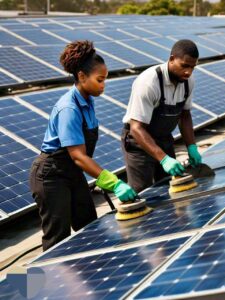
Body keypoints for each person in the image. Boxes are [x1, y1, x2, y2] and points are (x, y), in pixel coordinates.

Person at [30, 40, 137, 251]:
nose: (103, 85)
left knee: (89, 225)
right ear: (81, 76)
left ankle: (89, 277)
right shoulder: (69, 108)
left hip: (72, 173)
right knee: (57, 239)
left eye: (105, 80)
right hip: (51, 176)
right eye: (99, 80)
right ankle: (41, 283)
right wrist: (113, 183)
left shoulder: (87, 101)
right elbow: (78, 155)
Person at [121, 39, 202, 193]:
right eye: (184, 65)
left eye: (193, 67)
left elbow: (184, 115)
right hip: (138, 143)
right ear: (171, 59)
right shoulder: (149, 83)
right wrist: (163, 159)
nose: (188, 72)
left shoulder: (188, 81)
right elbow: (136, 128)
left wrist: (191, 146)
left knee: (171, 187)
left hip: (164, 139)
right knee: (143, 192)